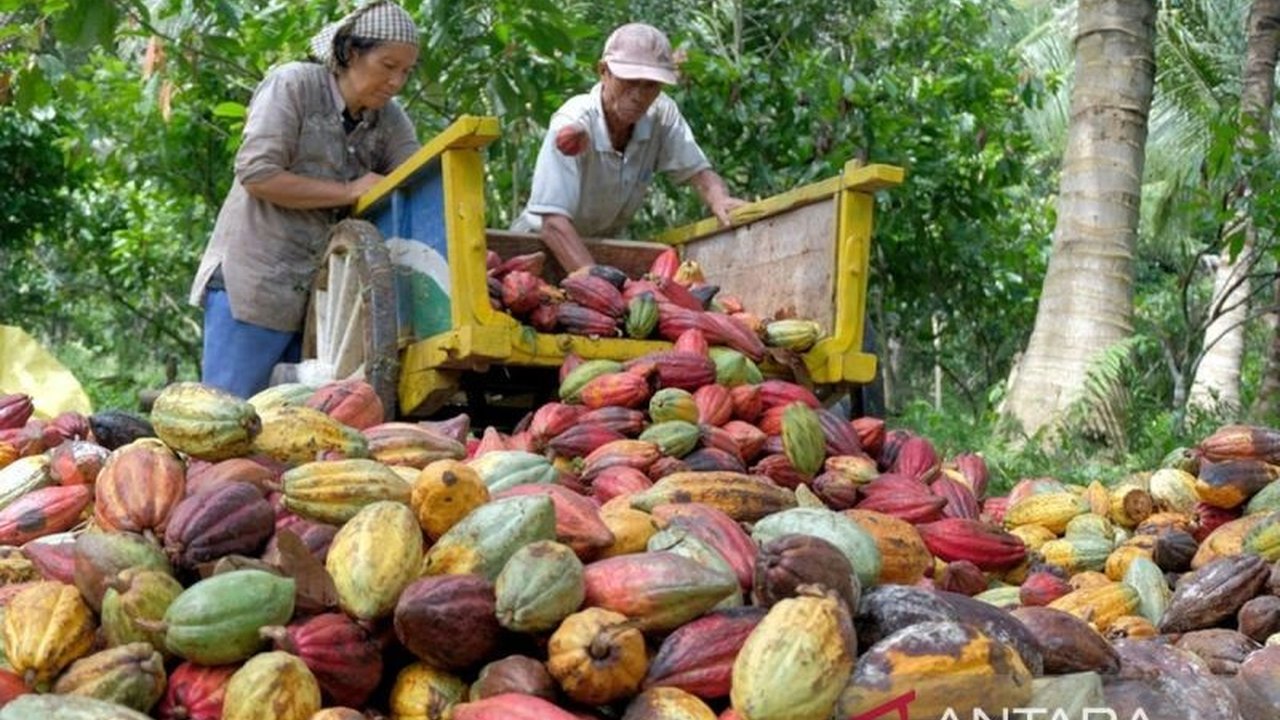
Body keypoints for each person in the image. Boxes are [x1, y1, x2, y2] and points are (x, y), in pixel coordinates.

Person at [188, 1, 421, 398]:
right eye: (387, 65)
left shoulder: (389, 119)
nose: (396, 81)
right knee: (226, 417)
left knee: (292, 432)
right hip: (255, 285)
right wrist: (349, 191)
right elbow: (257, 173)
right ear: (351, 53)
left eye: (406, 72)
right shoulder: (293, 85)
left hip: (321, 305)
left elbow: (418, 179)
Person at [510, 22, 746, 271]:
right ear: (604, 71)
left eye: (650, 85)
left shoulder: (661, 114)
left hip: (596, 254)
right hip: (535, 253)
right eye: (630, 81)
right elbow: (553, 225)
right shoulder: (572, 123)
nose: (639, 95)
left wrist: (719, 198)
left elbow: (699, 172)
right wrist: (597, 285)